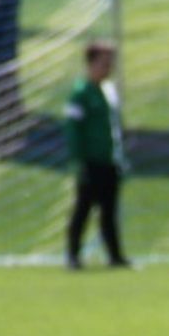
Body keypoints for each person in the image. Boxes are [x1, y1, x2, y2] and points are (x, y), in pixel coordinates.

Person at [63, 41, 131, 270]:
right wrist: (79, 160)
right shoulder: (80, 93)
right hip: (89, 161)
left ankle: (115, 256)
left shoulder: (108, 91)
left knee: (109, 211)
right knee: (83, 209)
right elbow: (73, 129)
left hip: (109, 160)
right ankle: (73, 256)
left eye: (111, 63)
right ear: (91, 63)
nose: (109, 67)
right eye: (104, 63)